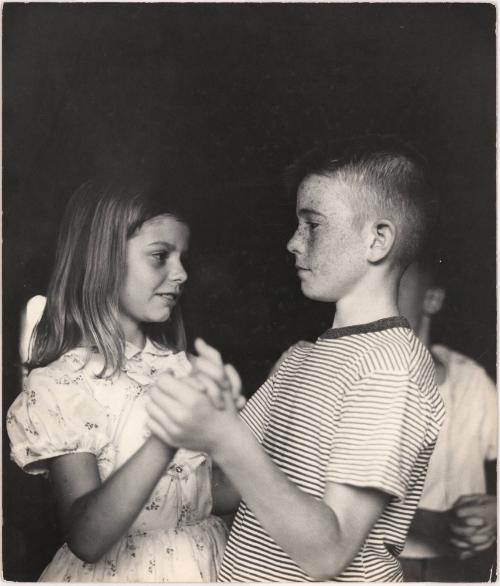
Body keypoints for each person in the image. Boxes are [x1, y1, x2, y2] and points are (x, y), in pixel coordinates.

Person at [145, 135, 446, 582]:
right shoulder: (301, 358)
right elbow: (228, 491)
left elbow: (329, 553)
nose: (292, 242)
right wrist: (212, 422)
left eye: (313, 224)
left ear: (378, 240)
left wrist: (227, 438)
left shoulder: (391, 368)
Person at [6, 180, 240, 582]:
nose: (181, 273)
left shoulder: (182, 368)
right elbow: (88, 538)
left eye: (182, 257)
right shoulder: (62, 385)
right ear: (103, 259)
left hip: (205, 566)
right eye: (160, 256)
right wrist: (167, 436)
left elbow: (205, 497)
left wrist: (250, 432)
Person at [398, 259, 497, 582]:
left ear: (432, 300)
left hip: (464, 571)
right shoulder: (338, 373)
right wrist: (432, 524)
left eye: (393, 286)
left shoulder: (471, 379)